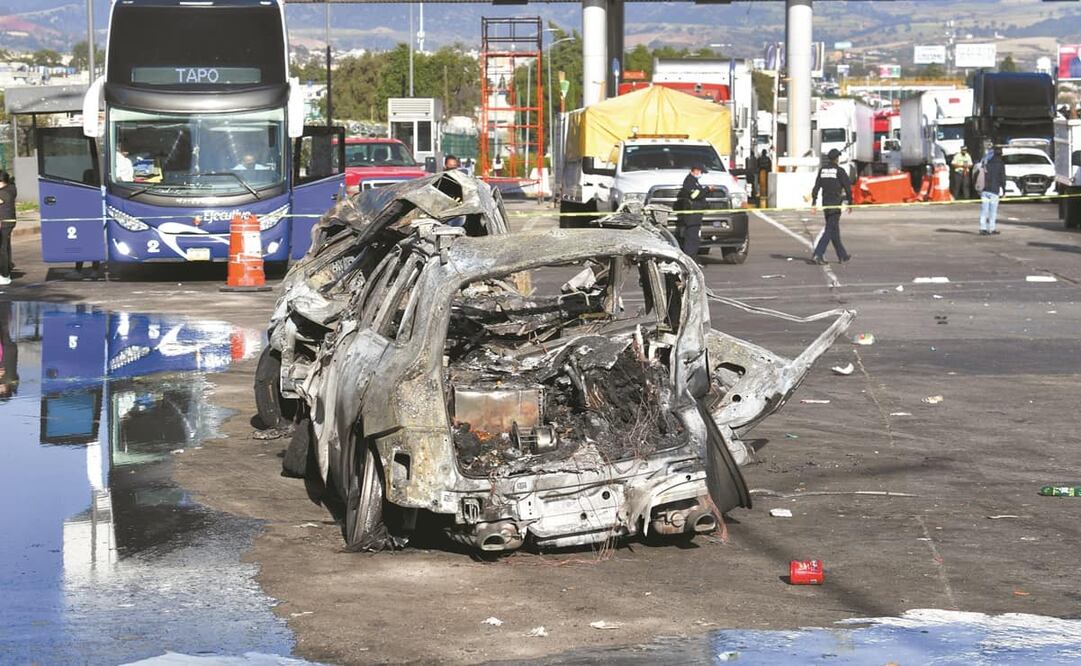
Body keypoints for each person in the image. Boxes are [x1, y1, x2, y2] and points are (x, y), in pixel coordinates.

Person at [810, 148, 853, 265]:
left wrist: (814, 202)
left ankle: (842, 255)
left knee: (834, 229)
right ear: (837, 159)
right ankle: (818, 254)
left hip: (826, 204)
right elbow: (848, 188)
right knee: (830, 230)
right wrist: (850, 202)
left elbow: (816, 187)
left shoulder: (822, 170)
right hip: (835, 204)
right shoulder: (839, 171)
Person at [675, 164, 712, 258]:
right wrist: (707, 189)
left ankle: (693, 257)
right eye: (701, 172)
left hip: (696, 214)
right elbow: (694, 195)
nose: (701, 174)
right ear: (695, 170)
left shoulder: (694, 181)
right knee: (691, 238)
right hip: (692, 214)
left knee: (695, 238)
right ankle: (690, 258)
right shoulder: (689, 181)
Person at [977, 146, 1006, 236]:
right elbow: (1002, 178)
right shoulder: (1000, 164)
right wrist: (1004, 190)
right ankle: (992, 228)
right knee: (993, 211)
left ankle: (983, 228)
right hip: (994, 190)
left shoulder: (985, 162)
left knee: (984, 210)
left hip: (984, 190)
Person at [0, 170, 17, 287]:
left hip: (4, 222)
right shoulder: (11, 188)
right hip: (9, 221)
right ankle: (8, 270)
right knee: (6, 247)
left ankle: (5, 275)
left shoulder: (3, 193)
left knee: (2, 249)